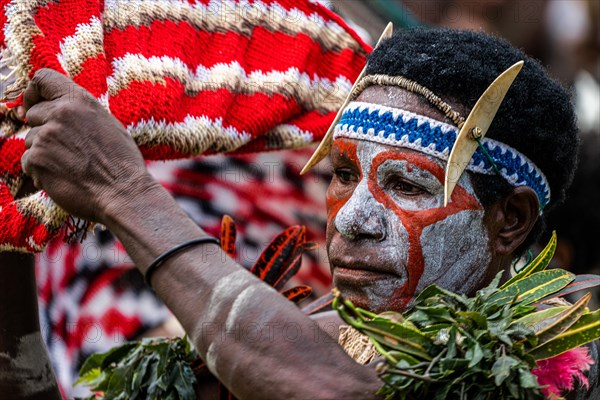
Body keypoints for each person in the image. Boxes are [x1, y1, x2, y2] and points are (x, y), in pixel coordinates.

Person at [5, 27, 598, 399]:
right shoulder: (306, 325)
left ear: (510, 221)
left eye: (405, 183)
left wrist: (123, 192)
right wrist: (10, 239)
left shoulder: (552, 355)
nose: (350, 218)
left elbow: (336, 392)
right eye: (342, 175)